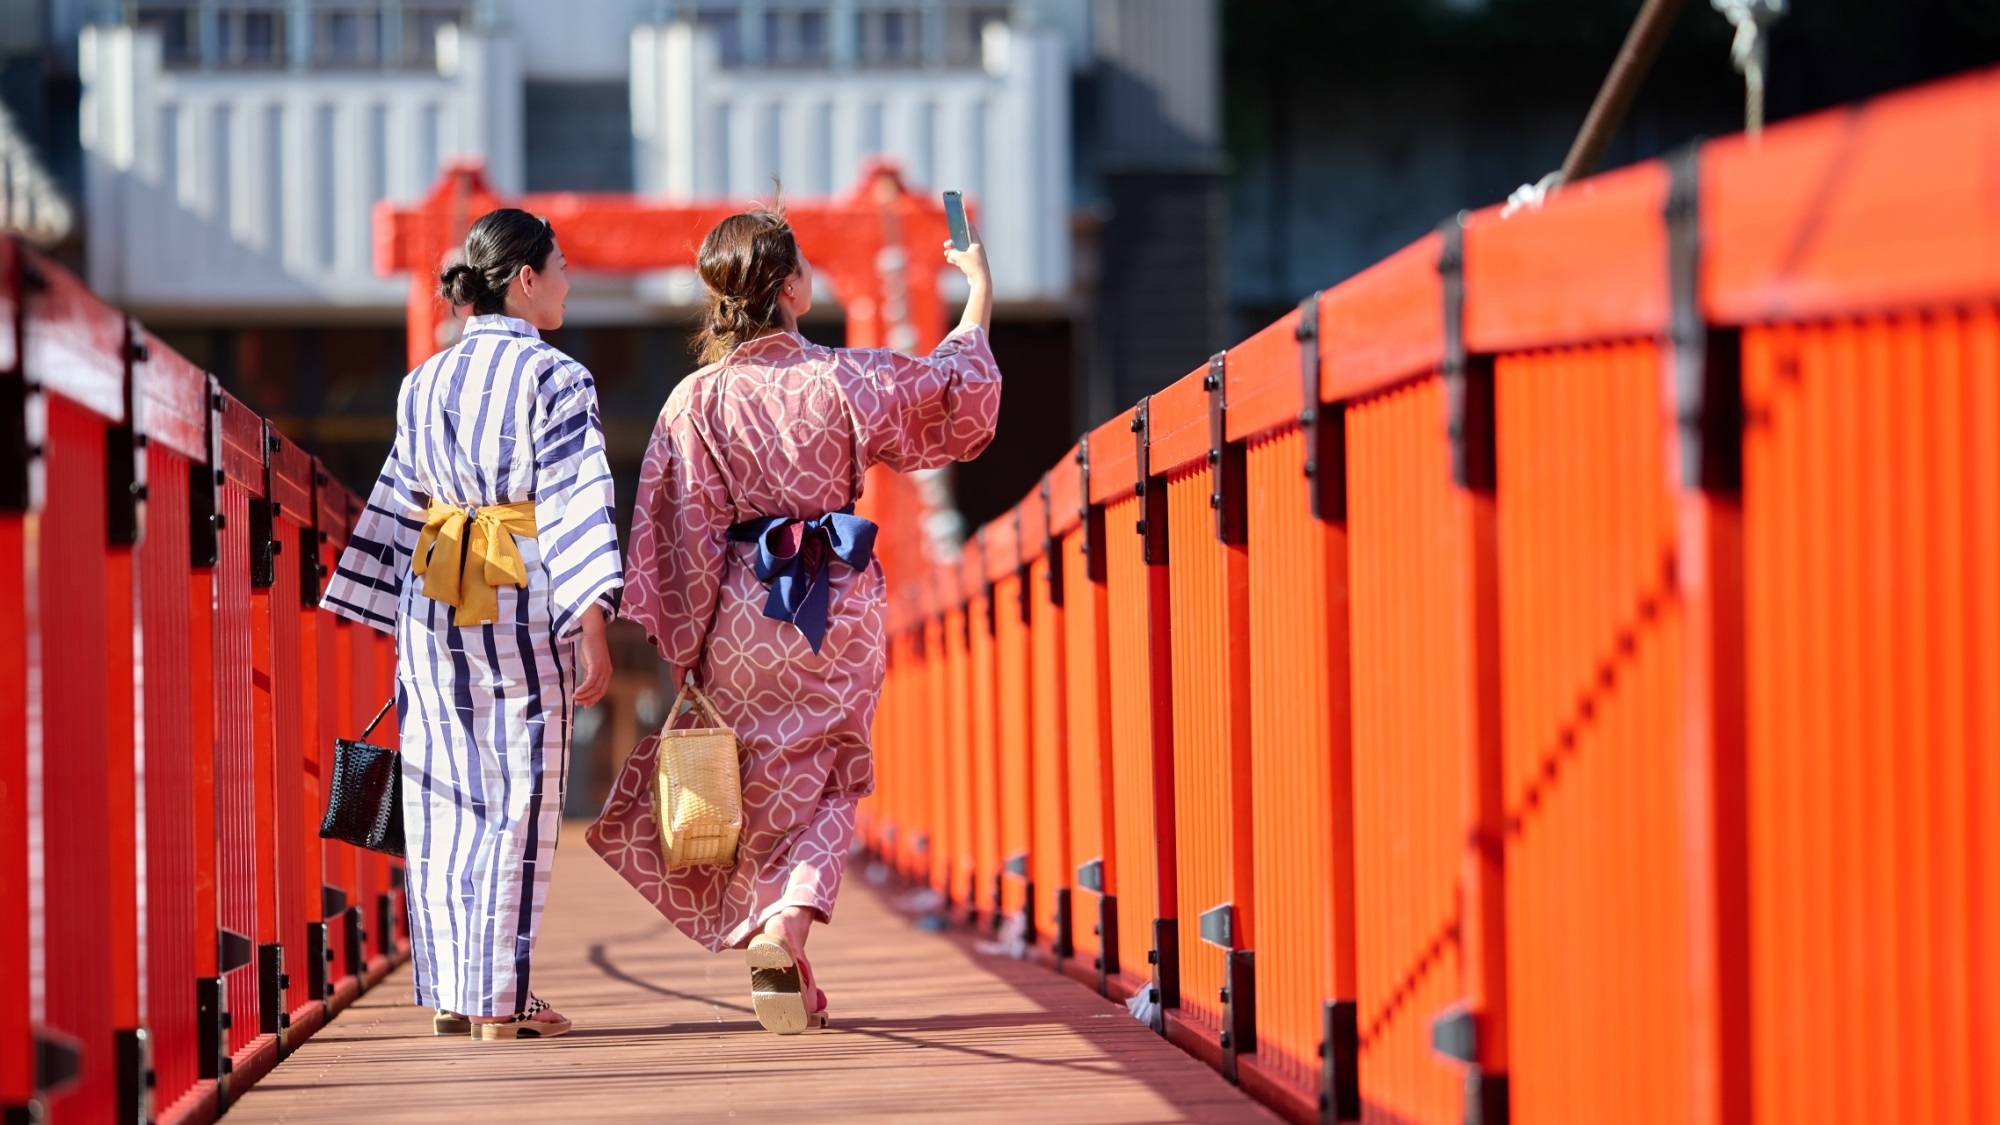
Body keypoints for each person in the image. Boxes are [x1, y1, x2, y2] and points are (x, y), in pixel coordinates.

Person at [588, 202, 1000, 1034]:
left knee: (754, 778)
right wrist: (978, 293)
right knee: (835, 772)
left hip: (739, 610)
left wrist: (685, 644)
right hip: (836, 603)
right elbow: (954, 399)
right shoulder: (848, 378)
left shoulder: (692, 401)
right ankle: (788, 928)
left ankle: (769, 930)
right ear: (792, 287)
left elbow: (680, 534)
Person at [323, 208, 621, 1041]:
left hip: (436, 596)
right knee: (520, 798)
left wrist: (369, 606)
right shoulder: (558, 379)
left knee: (445, 793)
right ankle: (504, 998)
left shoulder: (422, 380)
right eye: (559, 266)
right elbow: (574, 503)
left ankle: (456, 992)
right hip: (522, 591)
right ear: (524, 279)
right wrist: (593, 618)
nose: (567, 281)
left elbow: (396, 500)